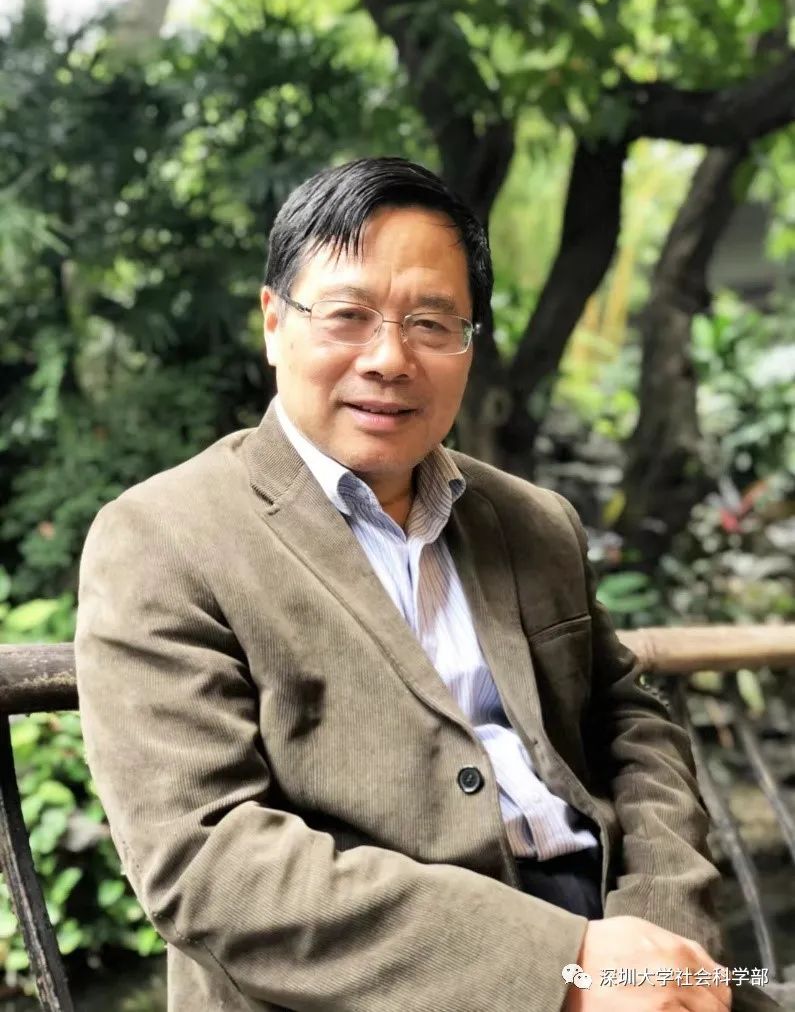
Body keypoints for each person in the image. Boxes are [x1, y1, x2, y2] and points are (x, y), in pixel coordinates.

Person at [75, 157, 779, 1012]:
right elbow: (203, 859)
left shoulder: (532, 520)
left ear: (469, 342)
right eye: (347, 316)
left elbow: (630, 725)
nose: (388, 358)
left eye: (431, 323)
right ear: (273, 322)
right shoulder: (162, 538)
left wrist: (658, 931)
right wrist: (559, 970)